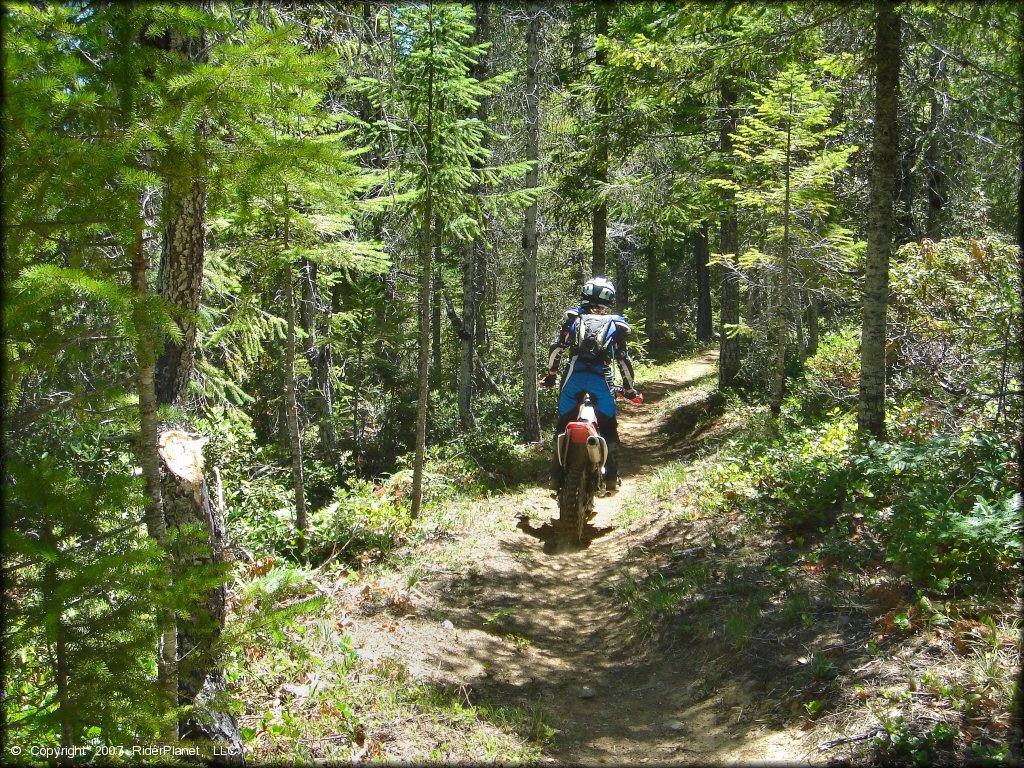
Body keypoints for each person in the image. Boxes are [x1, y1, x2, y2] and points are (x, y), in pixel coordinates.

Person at [541, 276, 640, 496]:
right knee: (608, 427)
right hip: (601, 380)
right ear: (609, 298)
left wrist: (551, 375)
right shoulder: (616, 323)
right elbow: (623, 361)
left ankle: (556, 475)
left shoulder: (574, 318)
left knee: (563, 424)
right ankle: (611, 478)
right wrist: (630, 389)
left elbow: (557, 349)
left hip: (573, 377)